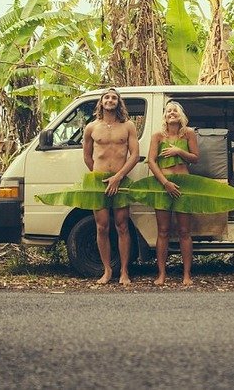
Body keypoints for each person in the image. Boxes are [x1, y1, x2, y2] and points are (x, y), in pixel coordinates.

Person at [82, 87, 140, 285]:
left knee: (123, 226)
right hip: (99, 183)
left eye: (114, 97)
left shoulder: (128, 126)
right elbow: (87, 156)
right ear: (101, 102)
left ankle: (124, 271)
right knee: (101, 226)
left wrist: (118, 176)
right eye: (106, 97)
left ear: (118, 102)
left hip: (121, 181)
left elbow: (134, 155)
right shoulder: (91, 128)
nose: (110, 100)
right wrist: (98, 176)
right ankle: (107, 270)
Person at [147, 101, 200, 285]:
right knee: (163, 231)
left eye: (175, 110)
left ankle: (187, 275)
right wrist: (165, 182)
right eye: (168, 111)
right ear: (165, 116)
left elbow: (195, 158)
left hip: (184, 186)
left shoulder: (188, 134)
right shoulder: (158, 136)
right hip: (163, 186)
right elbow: (151, 161)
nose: (171, 113)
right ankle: (161, 275)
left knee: (185, 231)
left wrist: (179, 151)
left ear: (181, 115)